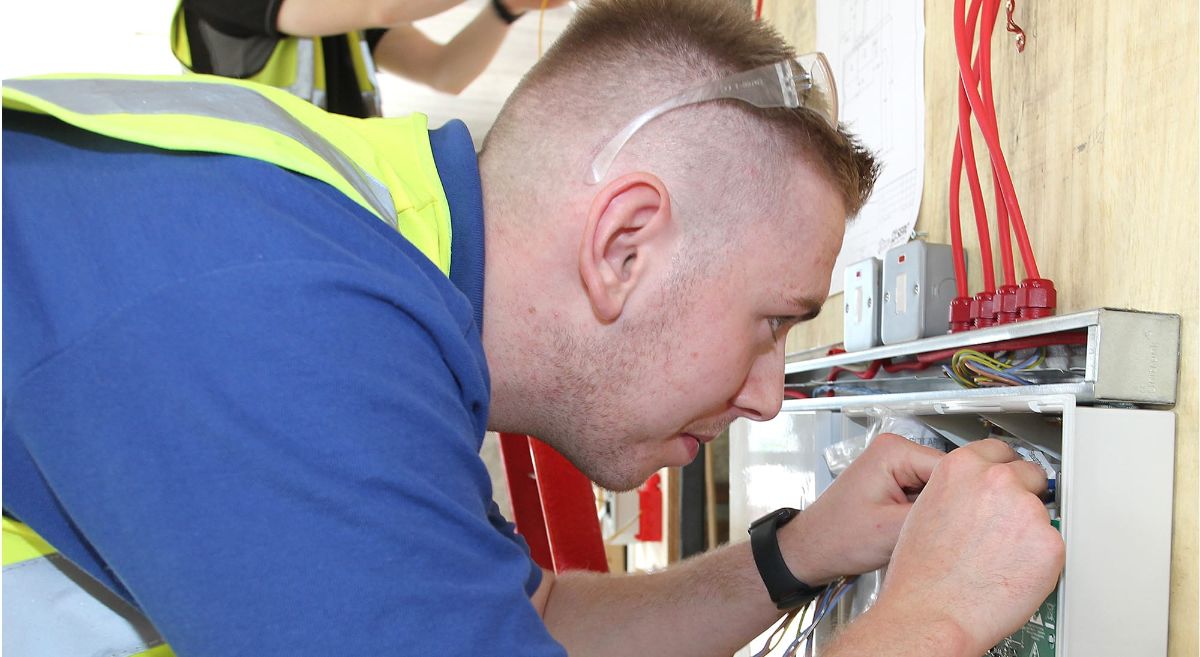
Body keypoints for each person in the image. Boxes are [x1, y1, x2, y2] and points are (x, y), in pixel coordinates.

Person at [2, 0, 1064, 655]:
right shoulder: (266, 317)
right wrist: (934, 619)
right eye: (768, 322)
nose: (768, 393)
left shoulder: (373, 264)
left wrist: (796, 557)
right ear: (624, 245)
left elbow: (522, 630)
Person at [172, 0, 568, 117]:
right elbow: (385, 8)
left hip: (341, 200)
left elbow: (444, 71)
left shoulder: (340, 16)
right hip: (266, 203)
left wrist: (505, 10)